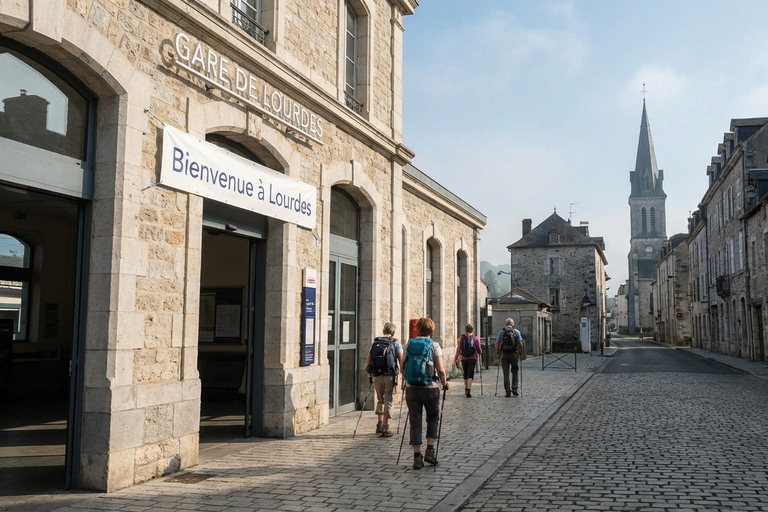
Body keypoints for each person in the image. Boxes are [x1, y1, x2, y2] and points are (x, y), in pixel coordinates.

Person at [403, 317, 449, 469]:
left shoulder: (409, 344)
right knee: (433, 418)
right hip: (430, 387)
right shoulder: (434, 345)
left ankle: (417, 458)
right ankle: (430, 452)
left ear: (417, 329)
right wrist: (444, 383)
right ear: (431, 330)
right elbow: (440, 369)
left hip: (412, 388)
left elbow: (403, 366)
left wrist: (408, 379)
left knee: (415, 421)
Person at [364, 322, 404, 437]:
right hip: (389, 375)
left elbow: (368, 360)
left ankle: (379, 424)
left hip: (377, 375)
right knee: (389, 400)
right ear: (393, 333)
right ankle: (386, 427)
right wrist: (402, 373)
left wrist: (370, 375)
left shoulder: (375, 343)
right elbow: (401, 359)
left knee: (380, 399)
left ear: (383, 331)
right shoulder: (395, 343)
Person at [496, 318, 524, 397]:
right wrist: (521, 351)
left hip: (504, 354)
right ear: (513, 324)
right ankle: (514, 388)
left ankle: (507, 390)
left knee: (506, 373)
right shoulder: (516, 332)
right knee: (515, 371)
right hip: (514, 354)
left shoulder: (501, 332)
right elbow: (520, 344)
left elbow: (497, 344)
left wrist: (499, 352)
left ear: (505, 324)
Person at [454, 323, 482, 397]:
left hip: (463, 358)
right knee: (470, 374)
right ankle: (468, 390)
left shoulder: (461, 338)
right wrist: (479, 352)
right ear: (472, 330)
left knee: (465, 373)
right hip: (472, 358)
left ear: (465, 330)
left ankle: (466, 388)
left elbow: (458, 349)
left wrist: (456, 358)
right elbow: (479, 349)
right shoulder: (475, 338)